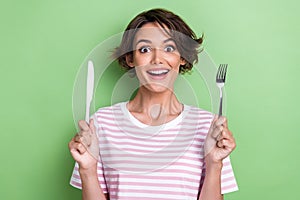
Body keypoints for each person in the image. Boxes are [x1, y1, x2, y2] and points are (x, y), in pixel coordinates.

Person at [69, 8, 238, 200]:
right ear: (130, 58)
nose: (157, 59)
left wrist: (214, 164)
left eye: (169, 48)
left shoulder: (208, 126)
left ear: (181, 58)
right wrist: (87, 170)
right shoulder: (101, 123)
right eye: (144, 49)